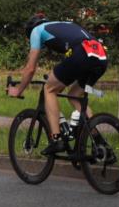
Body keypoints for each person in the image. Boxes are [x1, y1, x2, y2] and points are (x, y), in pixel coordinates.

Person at [7, 13, 107, 154]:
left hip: (81, 53)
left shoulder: (37, 30)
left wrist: (19, 90)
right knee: (74, 95)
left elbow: (30, 69)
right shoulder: (64, 24)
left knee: (49, 89)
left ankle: (56, 139)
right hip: (100, 56)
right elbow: (69, 57)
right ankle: (98, 142)